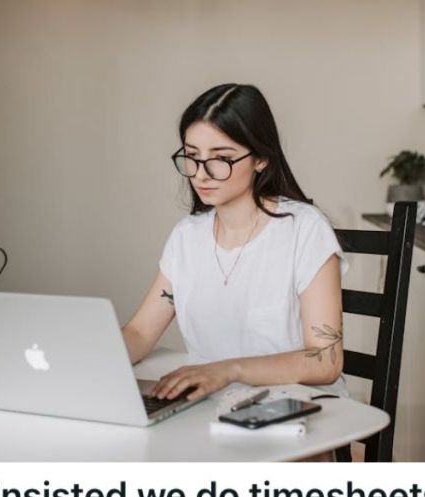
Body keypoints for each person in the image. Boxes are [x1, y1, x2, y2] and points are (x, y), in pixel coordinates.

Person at [122, 83, 349, 403]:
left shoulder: (306, 229)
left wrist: (228, 370)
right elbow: (140, 333)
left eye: (221, 158)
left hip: (294, 406)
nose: (201, 174)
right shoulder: (187, 237)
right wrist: (86, 360)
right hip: (210, 406)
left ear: (261, 159)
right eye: (191, 157)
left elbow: (326, 360)